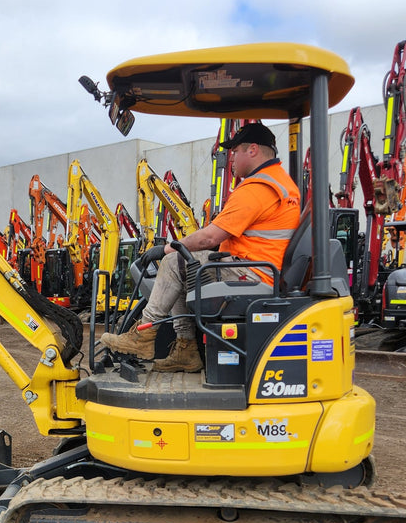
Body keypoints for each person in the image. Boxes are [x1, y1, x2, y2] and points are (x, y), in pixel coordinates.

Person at [100, 122, 301, 372]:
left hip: (252, 273)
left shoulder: (258, 188)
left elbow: (210, 238)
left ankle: (143, 335)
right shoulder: (281, 183)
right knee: (187, 268)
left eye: (234, 151)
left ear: (252, 150)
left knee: (176, 262)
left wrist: (165, 249)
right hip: (261, 271)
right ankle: (186, 349)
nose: (231, 159)